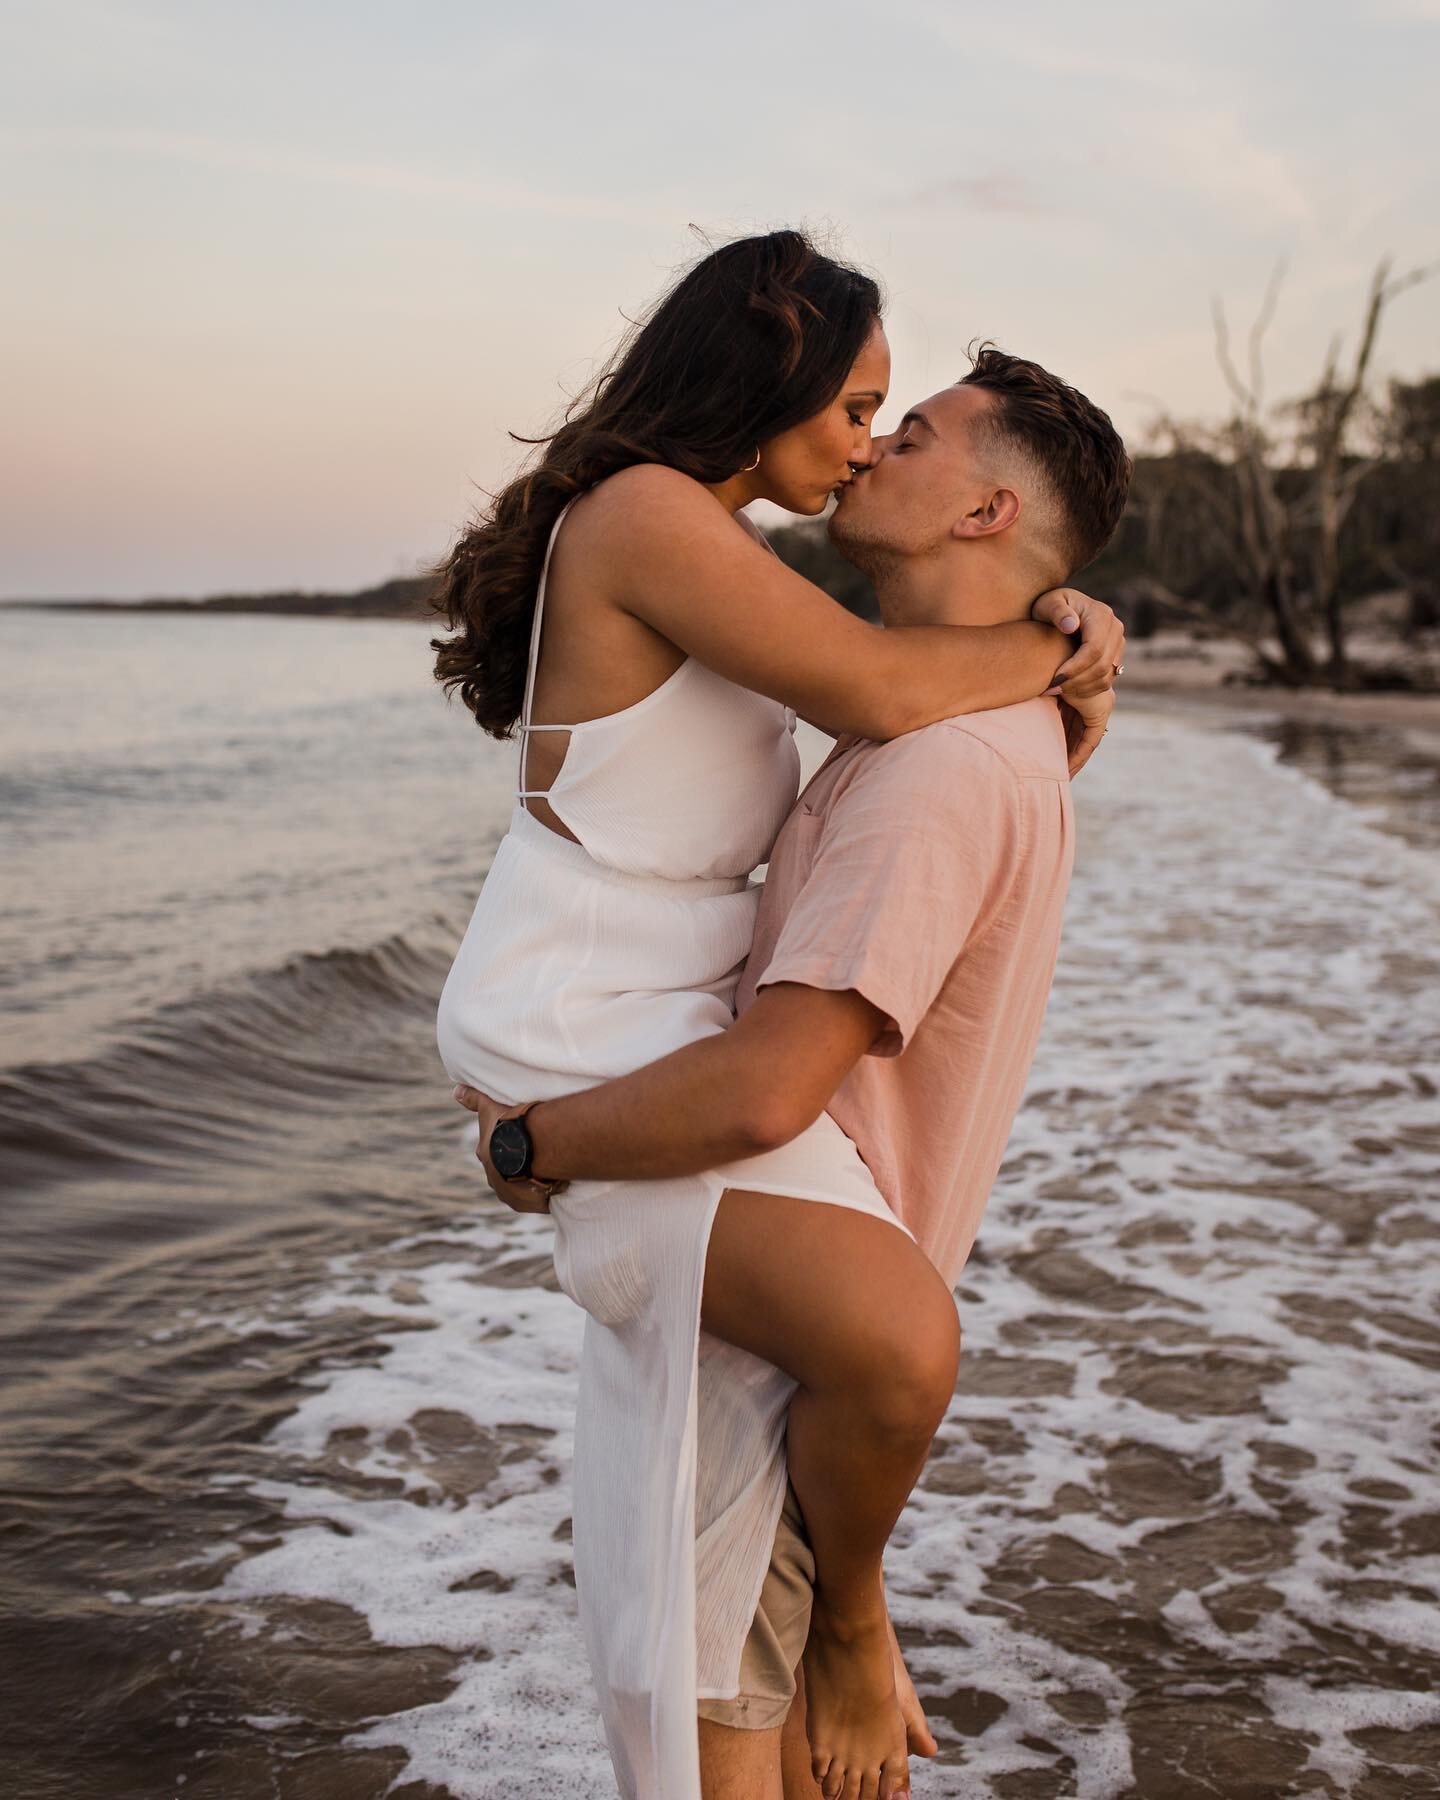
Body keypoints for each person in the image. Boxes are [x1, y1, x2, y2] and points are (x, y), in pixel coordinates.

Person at [432, 230, 1124, 1800]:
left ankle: (811, 1652)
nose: (867, 440)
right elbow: (888, 698)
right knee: (887, 1341)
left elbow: (923, 786)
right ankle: (845, 1638)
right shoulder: (648, 515)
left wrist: (1046, 663)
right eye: (858, 401)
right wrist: (1056, 637)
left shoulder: (720, 550)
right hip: (587, 1007)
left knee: (825, 1379)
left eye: (899, 417)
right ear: (771, 375)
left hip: (653, 1004)